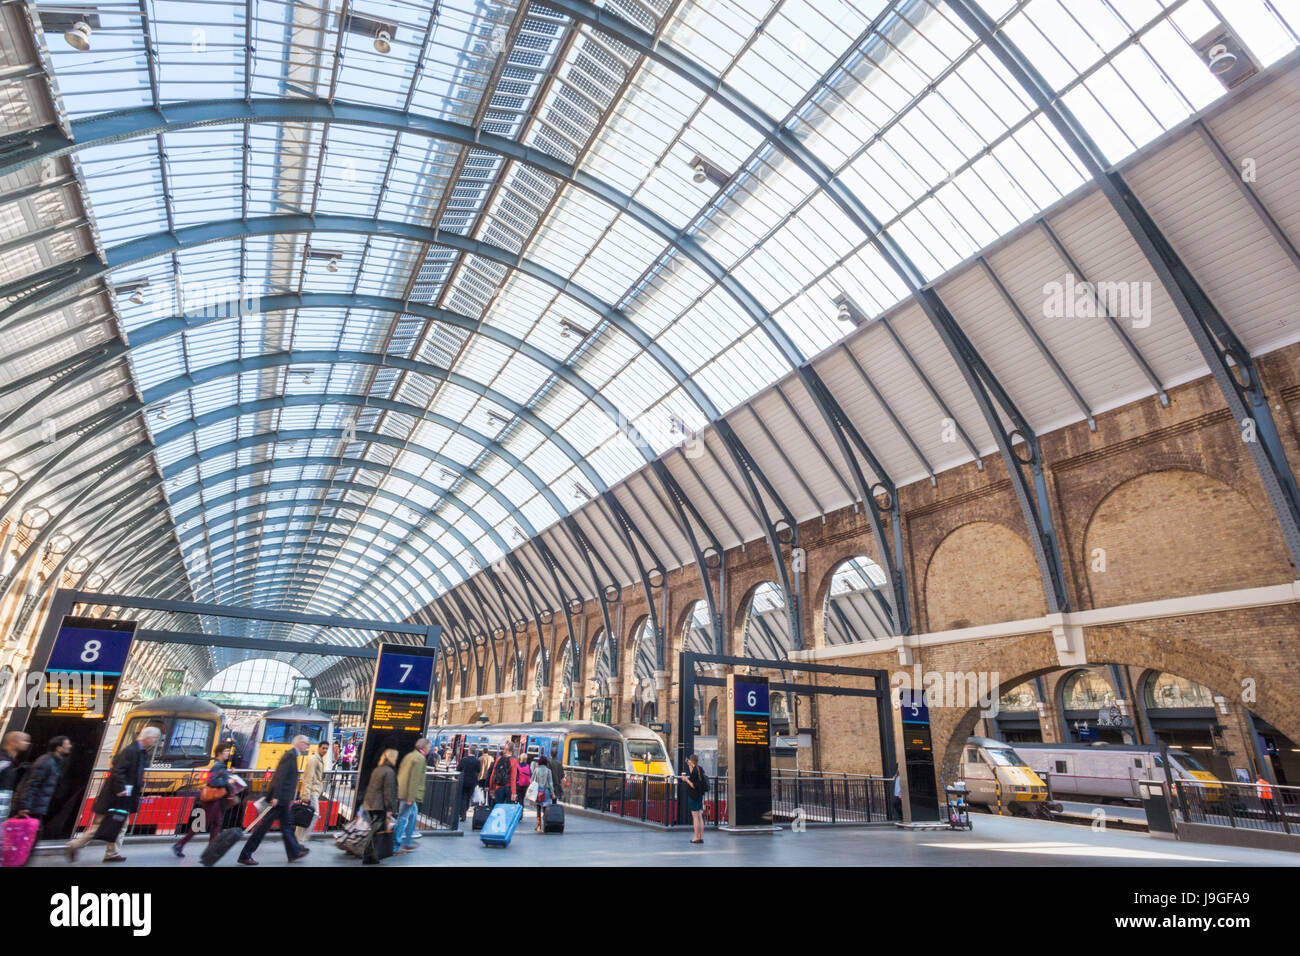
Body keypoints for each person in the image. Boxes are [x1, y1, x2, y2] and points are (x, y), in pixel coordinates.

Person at [67, 725, 159, 863]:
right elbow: (118, 771)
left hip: (123, 797)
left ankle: (111, 853)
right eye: (154, 738)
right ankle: (75, 845)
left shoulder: (139, 751)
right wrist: (121, 788)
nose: (155, 741)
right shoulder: (131, 751)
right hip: (117, 797)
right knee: (103, 825)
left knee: (119, 824)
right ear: (147, 737)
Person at [238, 734, 310, 865]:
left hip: (283, 799)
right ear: (299, 743)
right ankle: (245, 855)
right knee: (263, 828)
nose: (307, 746)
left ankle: (294, 852)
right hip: (280, 800)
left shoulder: (293, 755)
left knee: (287, 827)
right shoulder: (289, 756)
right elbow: (280, 777)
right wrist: (276, 796)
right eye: (306, 743)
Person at [173, 742, 234, 856]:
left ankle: (210, 849)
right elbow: (213, 781)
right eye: (226, 751)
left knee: (216, 823)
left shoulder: (220, 765)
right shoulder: (217, 766)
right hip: (212, 799)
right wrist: (227, 781)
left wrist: (228, 773)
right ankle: (180, 844)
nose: (228, 753)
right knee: (204, 823)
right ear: (220, 753)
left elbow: (217, 777)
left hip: (216, 798)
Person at [13, 736, 71, 834]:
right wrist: (24, 806)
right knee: (29, 835)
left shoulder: (54, 762)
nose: (69, 746)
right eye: (67, 744)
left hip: (37, 806)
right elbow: (31, 784)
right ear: (58, 748)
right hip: (33, 807)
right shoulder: (46, 761)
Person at [362, 748, 399, 862]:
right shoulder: (389, 772)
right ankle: (367, 855)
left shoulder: (378, 769)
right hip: (379, 805)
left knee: (375, 830)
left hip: (370, 803)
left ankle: (372, 855)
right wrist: (390, 808)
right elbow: (389, 791)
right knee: (375, 831)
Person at [394, 738, 430, 853]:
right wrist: (410, 797)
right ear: (423, 747)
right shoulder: (419, 759)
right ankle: (395, 845)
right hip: (409, 795)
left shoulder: (409, 756)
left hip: (404, 791)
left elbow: (401, 773)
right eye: (429, 747)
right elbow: (414, 779)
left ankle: (407, 842)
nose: (429, 749)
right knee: (403, 819)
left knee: (412, 817)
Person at [295, 740, 329, 843]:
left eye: (326, 748)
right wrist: (306, 794)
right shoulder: (314, 760)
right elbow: (308, 778)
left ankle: (298, 839)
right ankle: (301, 839)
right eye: (323, 748)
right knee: (313, 814)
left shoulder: (319, 760)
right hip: (311, 792)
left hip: (314, 791)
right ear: (318, 748)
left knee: (306, 815)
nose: (325, 750)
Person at [0, 730, 31, 821]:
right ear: (12, 742)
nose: (28, 743)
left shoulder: (12, 763)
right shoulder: (3, 761)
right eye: (24, 740)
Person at [680, 753, 707, 844]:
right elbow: (695, 776)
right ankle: (701, 837)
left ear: (691, 761)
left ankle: (696, 837)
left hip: (693, 795)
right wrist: (690, 766)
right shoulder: (699, 769)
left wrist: (686, 780)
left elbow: (693, 784)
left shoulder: (695, 771)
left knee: (695, 817)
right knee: (700, 816)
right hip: (699, 795)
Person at [489, 742, 519, 807]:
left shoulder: (499, 759)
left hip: (498, 787)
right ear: (513, 750)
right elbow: (513, 778)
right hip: (509, 788)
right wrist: (513, 792)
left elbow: (493, 774)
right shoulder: (513, 760)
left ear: (505, 749)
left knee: (498, 808)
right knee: (508, 809)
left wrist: (491, 788)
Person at [531, 754, 554, 832]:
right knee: (545, 809)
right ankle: (545, 826)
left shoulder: (536, 770)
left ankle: (538, 826)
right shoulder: (548, 771)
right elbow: (550, 783)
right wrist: (552, 792)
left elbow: (531, 781)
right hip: (546, 791)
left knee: (538, 808)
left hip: (538, 791)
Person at [456, 746, 481, 819]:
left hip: (463, 781)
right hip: (472, 782)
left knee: (463, 797)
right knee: (468, 798)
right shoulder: (477, 761)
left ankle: (462, 813)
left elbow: (458, 769)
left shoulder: (464, 760)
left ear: (469, 752)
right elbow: (478, 770)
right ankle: (464, 811)